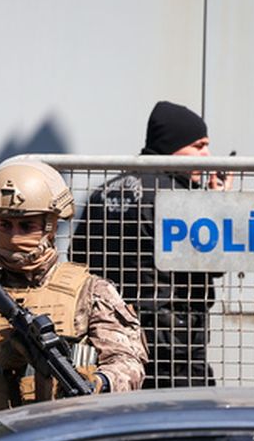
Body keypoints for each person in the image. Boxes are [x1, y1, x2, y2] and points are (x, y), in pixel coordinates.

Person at [0, 160, 148, 427]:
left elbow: (127, 363)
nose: (14, 236)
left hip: (65, 437)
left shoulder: (91, 293)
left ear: (51, 226)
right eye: (6, 224)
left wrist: (98, 382)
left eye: (26, 226)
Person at [71, 101, 233, 389]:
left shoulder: (104, 191)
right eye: (199, 145)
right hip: (173, 339)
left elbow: (78, 257)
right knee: (185, 421)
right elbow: (214, 260)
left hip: (110, 333)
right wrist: (215, 204)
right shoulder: (178, 196)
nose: (207, 155)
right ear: (173, 144)